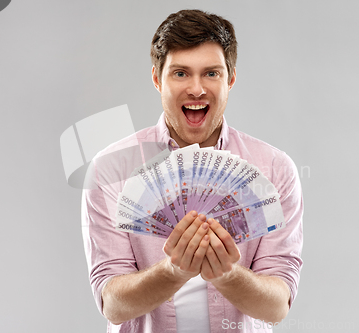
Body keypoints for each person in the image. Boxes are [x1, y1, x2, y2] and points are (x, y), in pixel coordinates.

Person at [82, 9, 303, 333]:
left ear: (230, 79)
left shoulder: (274, 169)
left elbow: (277, 305)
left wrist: (227, 274)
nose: (197, 89)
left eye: (211, 73)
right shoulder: (110, 170)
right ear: (157, 79)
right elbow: (112, 305)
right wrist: (173, 271)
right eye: (181, 73)